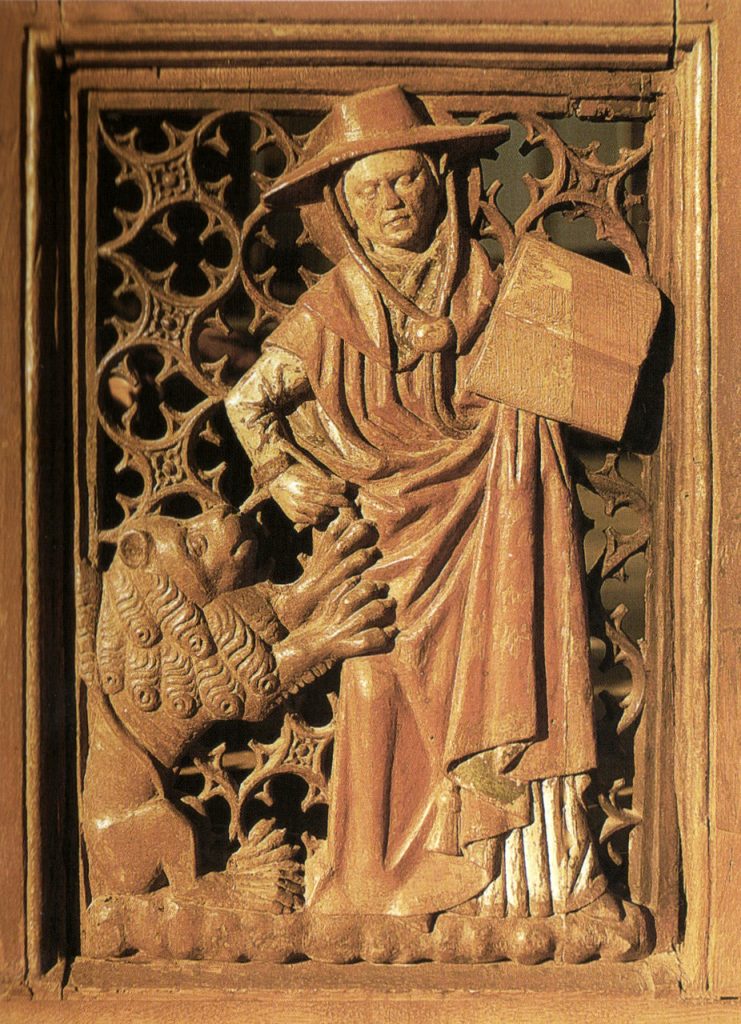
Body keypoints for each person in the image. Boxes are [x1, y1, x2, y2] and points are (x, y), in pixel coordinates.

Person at [225, 86, 627, 923]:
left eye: (405, 179)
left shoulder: (493, 286)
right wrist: (281, 471)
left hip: (495, 518)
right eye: (369, 189)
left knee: (500, 680)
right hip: (390, 529)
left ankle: (511, 876)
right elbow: (247, 401)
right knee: (376, 682)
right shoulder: (332, 308)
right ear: (343, 207)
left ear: (440, 182)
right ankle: (370, 880)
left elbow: (592, 364)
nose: (391, 201)